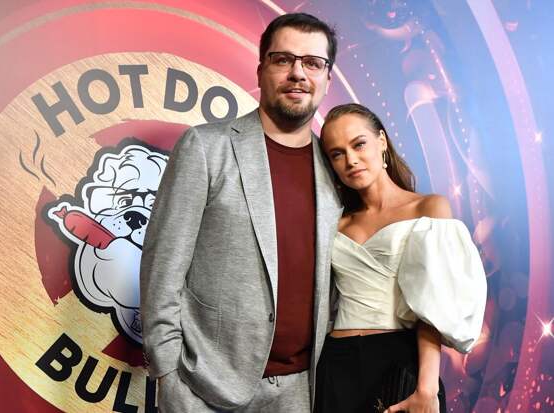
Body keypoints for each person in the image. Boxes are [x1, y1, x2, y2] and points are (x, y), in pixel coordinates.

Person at [140, 13, 343, 413]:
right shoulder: (206, 147)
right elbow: (162, 267)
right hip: (203, 388)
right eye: (283, 59)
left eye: (312, 63)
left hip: (301, 392)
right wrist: (167, 374)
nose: (298, 73)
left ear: (327, 79)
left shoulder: (336, 168)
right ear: (261, 69)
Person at [314, 103, 487, 413]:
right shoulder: (334, 224)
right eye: (337, 154)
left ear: (381, 141)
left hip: (400, 365)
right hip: (336, 366)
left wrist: (427, 389)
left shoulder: (429, 208)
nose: (351, 160)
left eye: (359, 144)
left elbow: (434, 306)